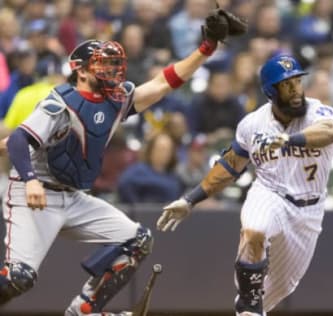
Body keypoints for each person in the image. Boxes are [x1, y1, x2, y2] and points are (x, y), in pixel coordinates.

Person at [0, 7, 246, 315]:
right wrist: (31, 179)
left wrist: (205, 49)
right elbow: (21, 141)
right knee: (18, 278)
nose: (113, 70)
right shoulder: (60, 101)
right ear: (82, 70)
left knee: (137, 240)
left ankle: (83, 310)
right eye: (102, 64)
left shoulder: (117, 99)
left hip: (74, 197)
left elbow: (163, 83)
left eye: (113, 63)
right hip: (35, 193)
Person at [157, 54, 333, 316]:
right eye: (286, 85)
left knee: (279, 290)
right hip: (270, 192)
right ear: (270, 90)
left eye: (297, 82)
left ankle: (250, 306)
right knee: (255, 230)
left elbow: (330, 132)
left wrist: (288, 141)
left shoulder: (318, 110)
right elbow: (231, 165)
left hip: (308, 211)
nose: (296, 90)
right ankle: (248, 307)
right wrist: (191, 199)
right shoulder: (253, 124)